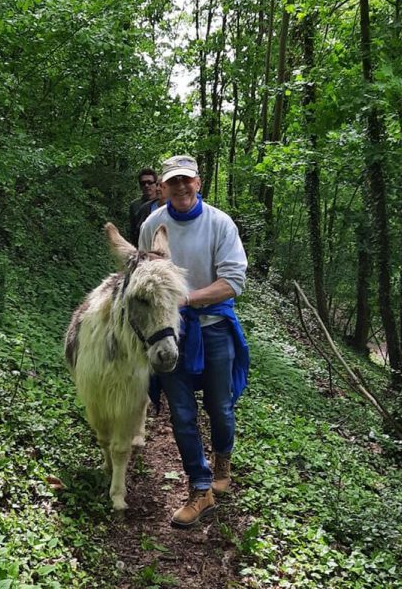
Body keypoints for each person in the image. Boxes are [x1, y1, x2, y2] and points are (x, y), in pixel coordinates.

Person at [139, 155, 249, 528]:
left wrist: (185, 298)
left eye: (187, 181)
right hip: (169, 332)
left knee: (220, 406)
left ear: (198, 183)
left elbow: (233, 281)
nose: (181, 188)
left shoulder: (219, 224)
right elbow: (144, 274)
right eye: (173, 182)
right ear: (163, 188)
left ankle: (222, 464)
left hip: (214, 326)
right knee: (182, 413)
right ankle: (200, 489)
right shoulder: (153, 224)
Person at [129, 168, 158, 246]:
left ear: (156, 184)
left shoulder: (163, 203)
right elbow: (133, 230)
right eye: (143, 183)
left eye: (150, 182)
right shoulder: (135, 205)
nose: (146, 185)